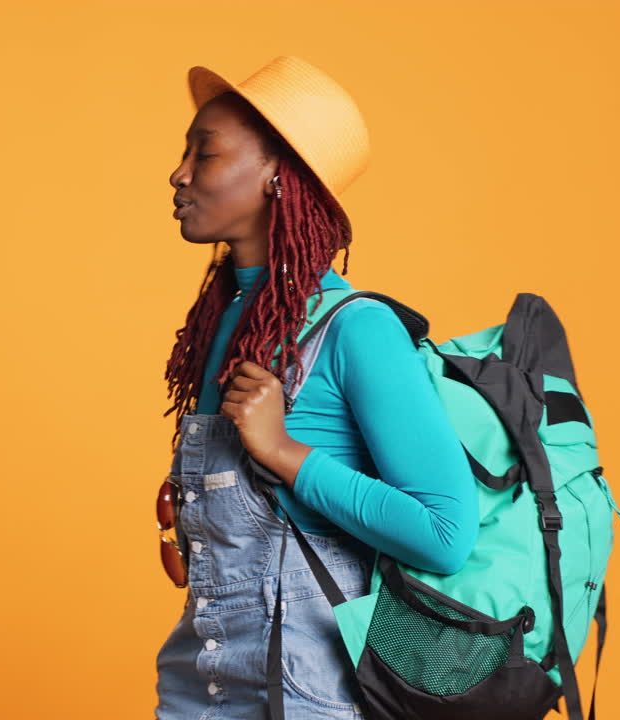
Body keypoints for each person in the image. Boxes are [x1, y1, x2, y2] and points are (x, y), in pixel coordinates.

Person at [155, 56, 479, 719]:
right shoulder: (225, 320)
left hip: (311, 693)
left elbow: (446, 534)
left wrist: (283, 454)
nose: (178, 174)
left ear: (279, 175)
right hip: (202, 678)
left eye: (205, 154)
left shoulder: (359, 329)